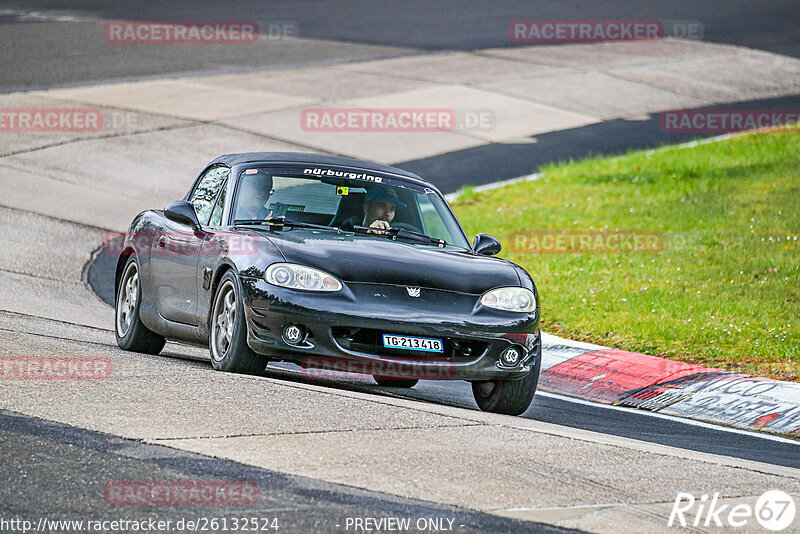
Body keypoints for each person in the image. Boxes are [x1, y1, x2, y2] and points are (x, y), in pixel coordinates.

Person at [340, 187, 407, 233]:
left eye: (392, 208)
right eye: (382, 206)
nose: (388, 213)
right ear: (366, 207)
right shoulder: (345, 231)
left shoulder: (398, 238)